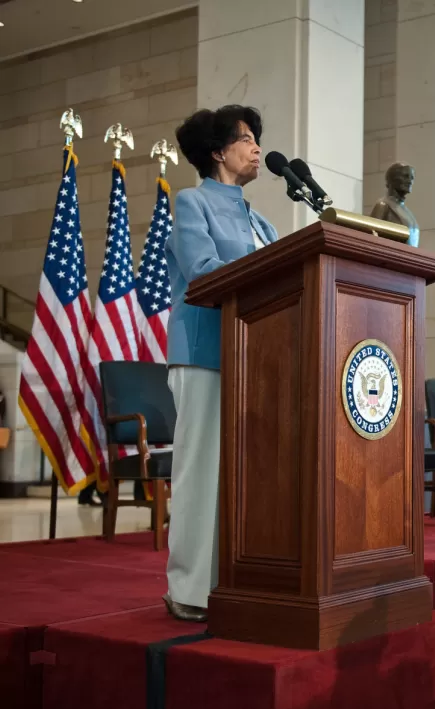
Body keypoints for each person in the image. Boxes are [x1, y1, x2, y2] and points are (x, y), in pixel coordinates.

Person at [163, 105, 278, 622]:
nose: (257, 147)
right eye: (248, 138)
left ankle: (238, 577)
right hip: (206, 352)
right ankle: (188, 588)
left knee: (248, 476)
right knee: (201, 471)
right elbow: (203, 272)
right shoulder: (193, 202)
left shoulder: (262, 220)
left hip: (258, 359)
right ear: (218, 151)